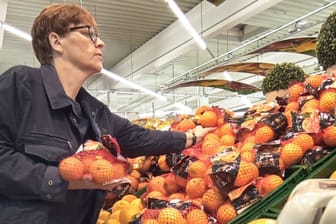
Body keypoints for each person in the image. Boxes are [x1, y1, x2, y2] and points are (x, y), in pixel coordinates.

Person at [0, 3, 213, 224]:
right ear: (56, 41)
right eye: (89, 33)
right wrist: (64, 179)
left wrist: (194, 136)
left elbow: (140, 138)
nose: (100, 42)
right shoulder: (22, 85)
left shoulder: (94, 112)